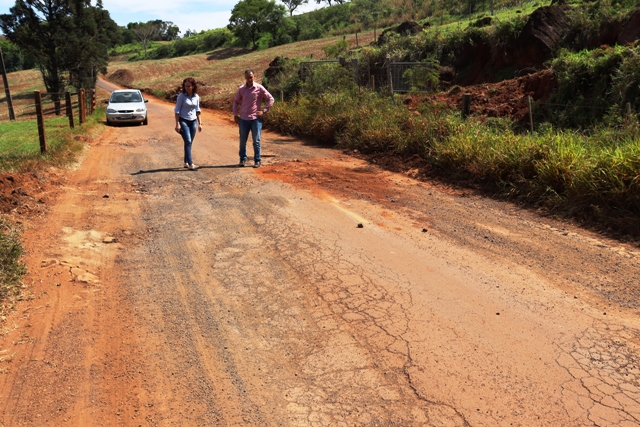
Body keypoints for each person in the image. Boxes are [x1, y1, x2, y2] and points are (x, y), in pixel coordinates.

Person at [233, 69, 274, 168]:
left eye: (251, 77)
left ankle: (257, 160)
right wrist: (235, 115)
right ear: (245, 78)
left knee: (256, 140)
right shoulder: (241, 89)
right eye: (247, 77)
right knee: (243, 140)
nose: (249, 79)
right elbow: (236, 102)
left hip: (256, 119)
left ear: (254, 76)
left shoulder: (259, 88)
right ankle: (242, 159)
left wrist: (264, 111)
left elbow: (271, 99)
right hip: (243, 119)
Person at [174, 77, 202, 170]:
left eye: (189, 86)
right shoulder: (181, 96)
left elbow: (198, 110)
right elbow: (177, 110)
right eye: (185, 86)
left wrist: (200, 123)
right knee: (188, 141)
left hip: (193, 121)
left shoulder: (196, 97)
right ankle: (191, 164)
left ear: (193, 86)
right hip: (183, 120)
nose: (187, 88)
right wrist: (177, 124)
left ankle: (186, 162)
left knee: (188, 142)